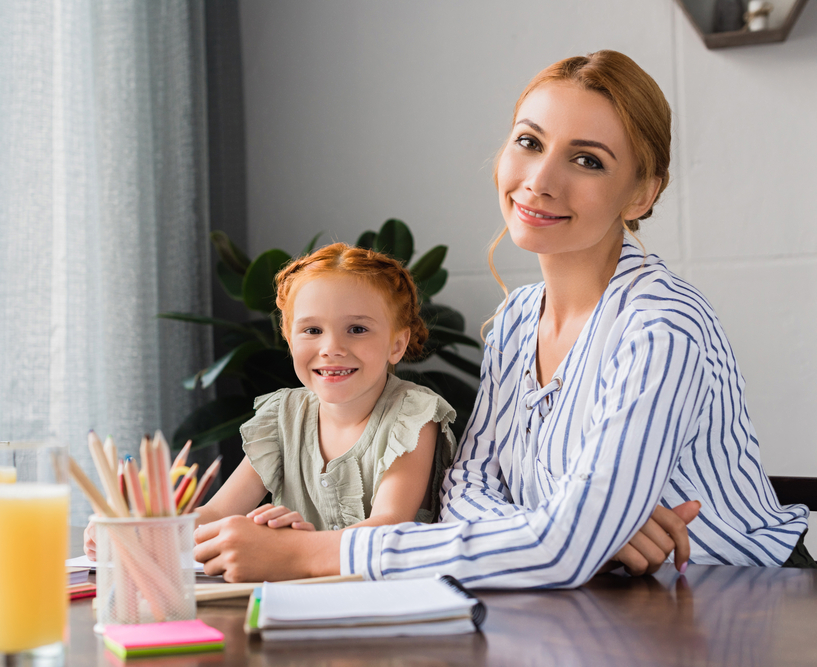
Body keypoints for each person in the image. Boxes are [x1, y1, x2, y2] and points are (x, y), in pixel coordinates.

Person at [192, 50, 812, 587]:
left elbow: (565, 548)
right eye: (529, 142)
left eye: (588, 160)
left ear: (642, 194)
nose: (539, 180)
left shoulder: (662, 328)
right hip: (605, 600)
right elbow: (466, 497)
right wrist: (576, 536)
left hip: (742, 601)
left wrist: (308, 554)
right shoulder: (517, 320)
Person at [84, 243, 460, 559]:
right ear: (290, 339)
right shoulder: (283, 415)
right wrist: (138, 536)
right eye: (312, 330)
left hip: (392, 604)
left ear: (397, 344)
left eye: (357, 329)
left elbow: (387, 526)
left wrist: (287, 548)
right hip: (295, 602)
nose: (331, 348)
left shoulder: (414, 415)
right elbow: (217, 511)